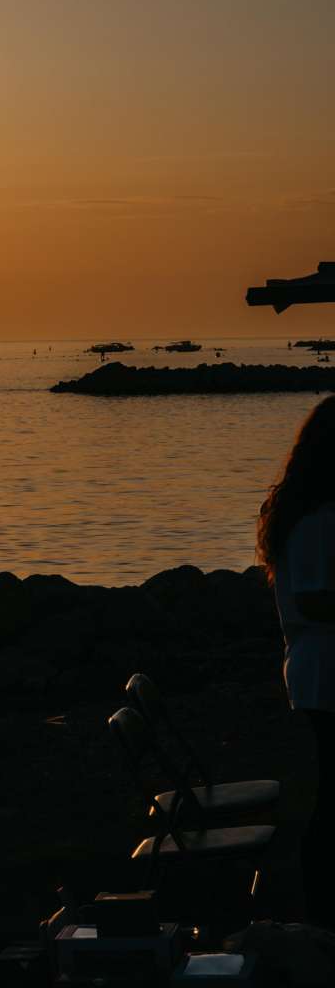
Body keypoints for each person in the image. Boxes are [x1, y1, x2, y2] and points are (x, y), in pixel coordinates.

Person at [260, 395, 335, 925]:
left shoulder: (311, 513)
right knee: (332, 800)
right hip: (325, 673)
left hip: (318, 672)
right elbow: (314, 598)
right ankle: (322, 909)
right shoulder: (319, 519)